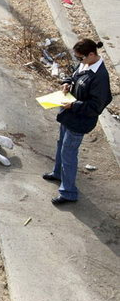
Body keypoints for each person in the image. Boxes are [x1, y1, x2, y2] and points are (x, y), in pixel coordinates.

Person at [44, 39, 112, 205]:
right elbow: (73, 75)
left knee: (68, 154)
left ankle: (68, 192)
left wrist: (73, 105)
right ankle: (58, 173)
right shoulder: (84, 64)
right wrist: (67, 83)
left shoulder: (100, 77)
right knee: (61, 145)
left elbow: (96, 106)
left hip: (79, 120)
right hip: (69, 115)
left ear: (91, 54)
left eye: (80, 58)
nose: (78, 61)